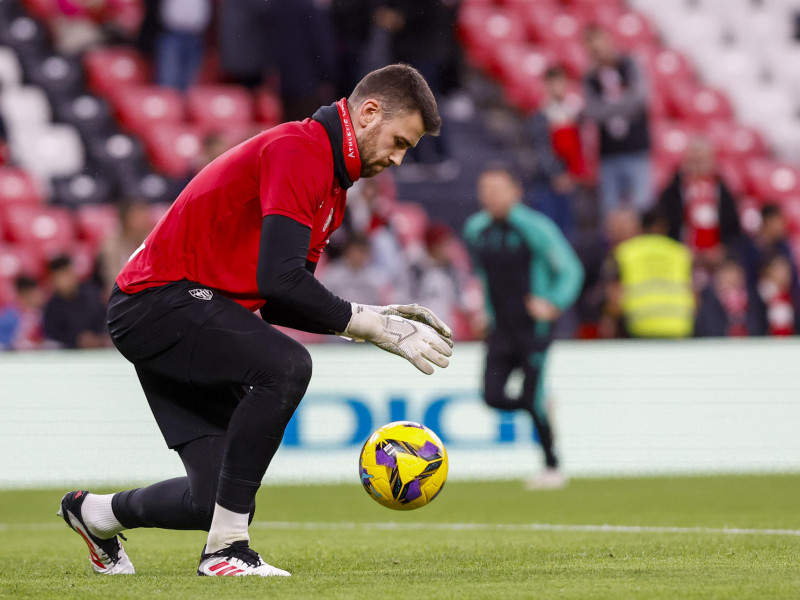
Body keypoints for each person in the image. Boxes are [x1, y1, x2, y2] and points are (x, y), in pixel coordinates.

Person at [56, 64, 453, 578]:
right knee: (286, 365)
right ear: (369, 112)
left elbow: (282, 302)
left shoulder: (330, 183)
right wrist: (368, 326)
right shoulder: (302, 150)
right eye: (400, 141)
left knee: (211, 500)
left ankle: (94, 513)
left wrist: (374, 317)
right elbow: (280, 281)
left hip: (176, 310)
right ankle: (226, 552)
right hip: (158, 302)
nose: (398, 158)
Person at [463, 164, 584, 490]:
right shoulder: (476, 229)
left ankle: (552, 466)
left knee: (531, 394)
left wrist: (553, 302)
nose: (490, 197)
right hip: (500, 331)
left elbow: (570, 269)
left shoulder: (535, 228)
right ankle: (542, 408)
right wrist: (485, 312)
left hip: (533, 330)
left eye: (497, 189)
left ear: (515, 192)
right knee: (491, 396)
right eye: (485, 190)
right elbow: (484, 277)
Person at [583, 25, 652, 216]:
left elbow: (639, 100)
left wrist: (609, 109)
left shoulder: (629, 65)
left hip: (636, 149)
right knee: (611, 211)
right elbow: (593, 111)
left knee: (642, 207)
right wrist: (622, 106)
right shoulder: (590, 77)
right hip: (609, 153)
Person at [604, 208, 695, 339]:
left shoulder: (625, 252)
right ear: (665, 227)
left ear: (640, 227)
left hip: (639, 327)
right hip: (679, 327)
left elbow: (615, 299)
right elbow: (694, 297)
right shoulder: (681, 253)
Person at [658, 136, 742, 265]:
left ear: (712, 162)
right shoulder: (673, 191)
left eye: (701, 160)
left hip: (717, 258)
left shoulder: (723, 191)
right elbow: (663, 224)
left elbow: (733, 227)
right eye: (693, 161)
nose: (697, 165)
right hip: (681, 255)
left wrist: (723, 250)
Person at [525, 65, 586, 240]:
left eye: (561, 82)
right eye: (553, 83)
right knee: (548, 230)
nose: (558, 87)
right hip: (547, 182)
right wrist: (557, 174)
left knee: (567, 231)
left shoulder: (573, 115)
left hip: (568, 180)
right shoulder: (540, 116)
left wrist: (572, 174)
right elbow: (541, 149)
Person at [43, 255, 108, 349]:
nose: (64, 280)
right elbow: (54, 334)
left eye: (66, 274)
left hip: (99, 347)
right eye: (59, 276)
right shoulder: (52, 307)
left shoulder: (94, 295)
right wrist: (76, 340)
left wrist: (97, 338)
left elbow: (104, 321)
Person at [695, 257, 766, 337]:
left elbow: (759, 325)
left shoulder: (754, 298)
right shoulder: (708, 298)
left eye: (733, 273)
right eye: (726, 274)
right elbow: (707, 327)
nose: (730, 279)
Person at [0, 276, 45, 351]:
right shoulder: (10, 315)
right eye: (36, 292)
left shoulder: (39, 314)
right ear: (26, 293)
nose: (39, 295)